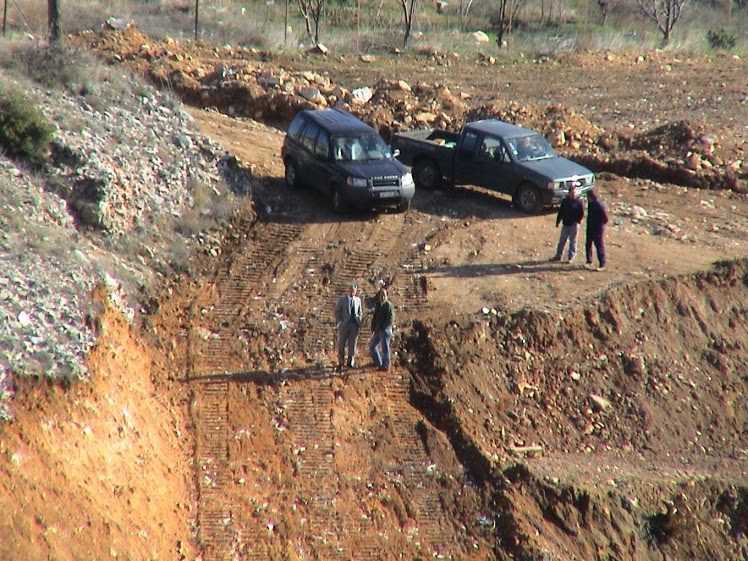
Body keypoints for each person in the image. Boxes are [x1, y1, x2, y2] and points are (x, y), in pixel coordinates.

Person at [551, 185, 584, 263]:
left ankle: (571, 257)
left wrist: (578, 221)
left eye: (574, 193)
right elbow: (561, 212)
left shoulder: (579, 202)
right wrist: (558, 221)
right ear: (569, 193)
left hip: (574, 225)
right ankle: (558, 255)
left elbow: (581, 213)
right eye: (572, 192)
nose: (573, 194)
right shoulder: (565, 201)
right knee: (562, 240)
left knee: (573, 241)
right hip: (565, 224)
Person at [335, 282, 363, 371]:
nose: (352, 291)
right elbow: (337, 311)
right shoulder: (342, 300)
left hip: (354, 326)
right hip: (344, 325)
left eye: (354, 290)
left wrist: (359, 321)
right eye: (351, 290)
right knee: (341, 344)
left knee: (352, 345)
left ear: (355, 291)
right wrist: (339, 321)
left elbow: (360, 312)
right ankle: (341, 362)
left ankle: (350, 362)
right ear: (348, 290)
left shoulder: (358, 300)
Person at [369, 288, 395, 371]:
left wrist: (382, 328)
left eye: (384, 295)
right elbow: (375, 317)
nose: (382, 297)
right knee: (372, 346)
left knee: (385, 348)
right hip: (378, 330)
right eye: (381, 295)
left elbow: (390, 319)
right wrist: (373, 327)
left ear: (387, 295)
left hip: (385, 330)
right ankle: (378, 362)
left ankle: (385, 366)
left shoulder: (389, 305)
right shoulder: (378, 305)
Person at [585, 189, 609, 271]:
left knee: (599, 246)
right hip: (590, 227)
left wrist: (599, 225)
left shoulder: (599, 205)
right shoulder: (590, 203)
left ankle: (602, 264)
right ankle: (589, 261)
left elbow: (605, 218)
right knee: (588, 244)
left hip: (597, 229)